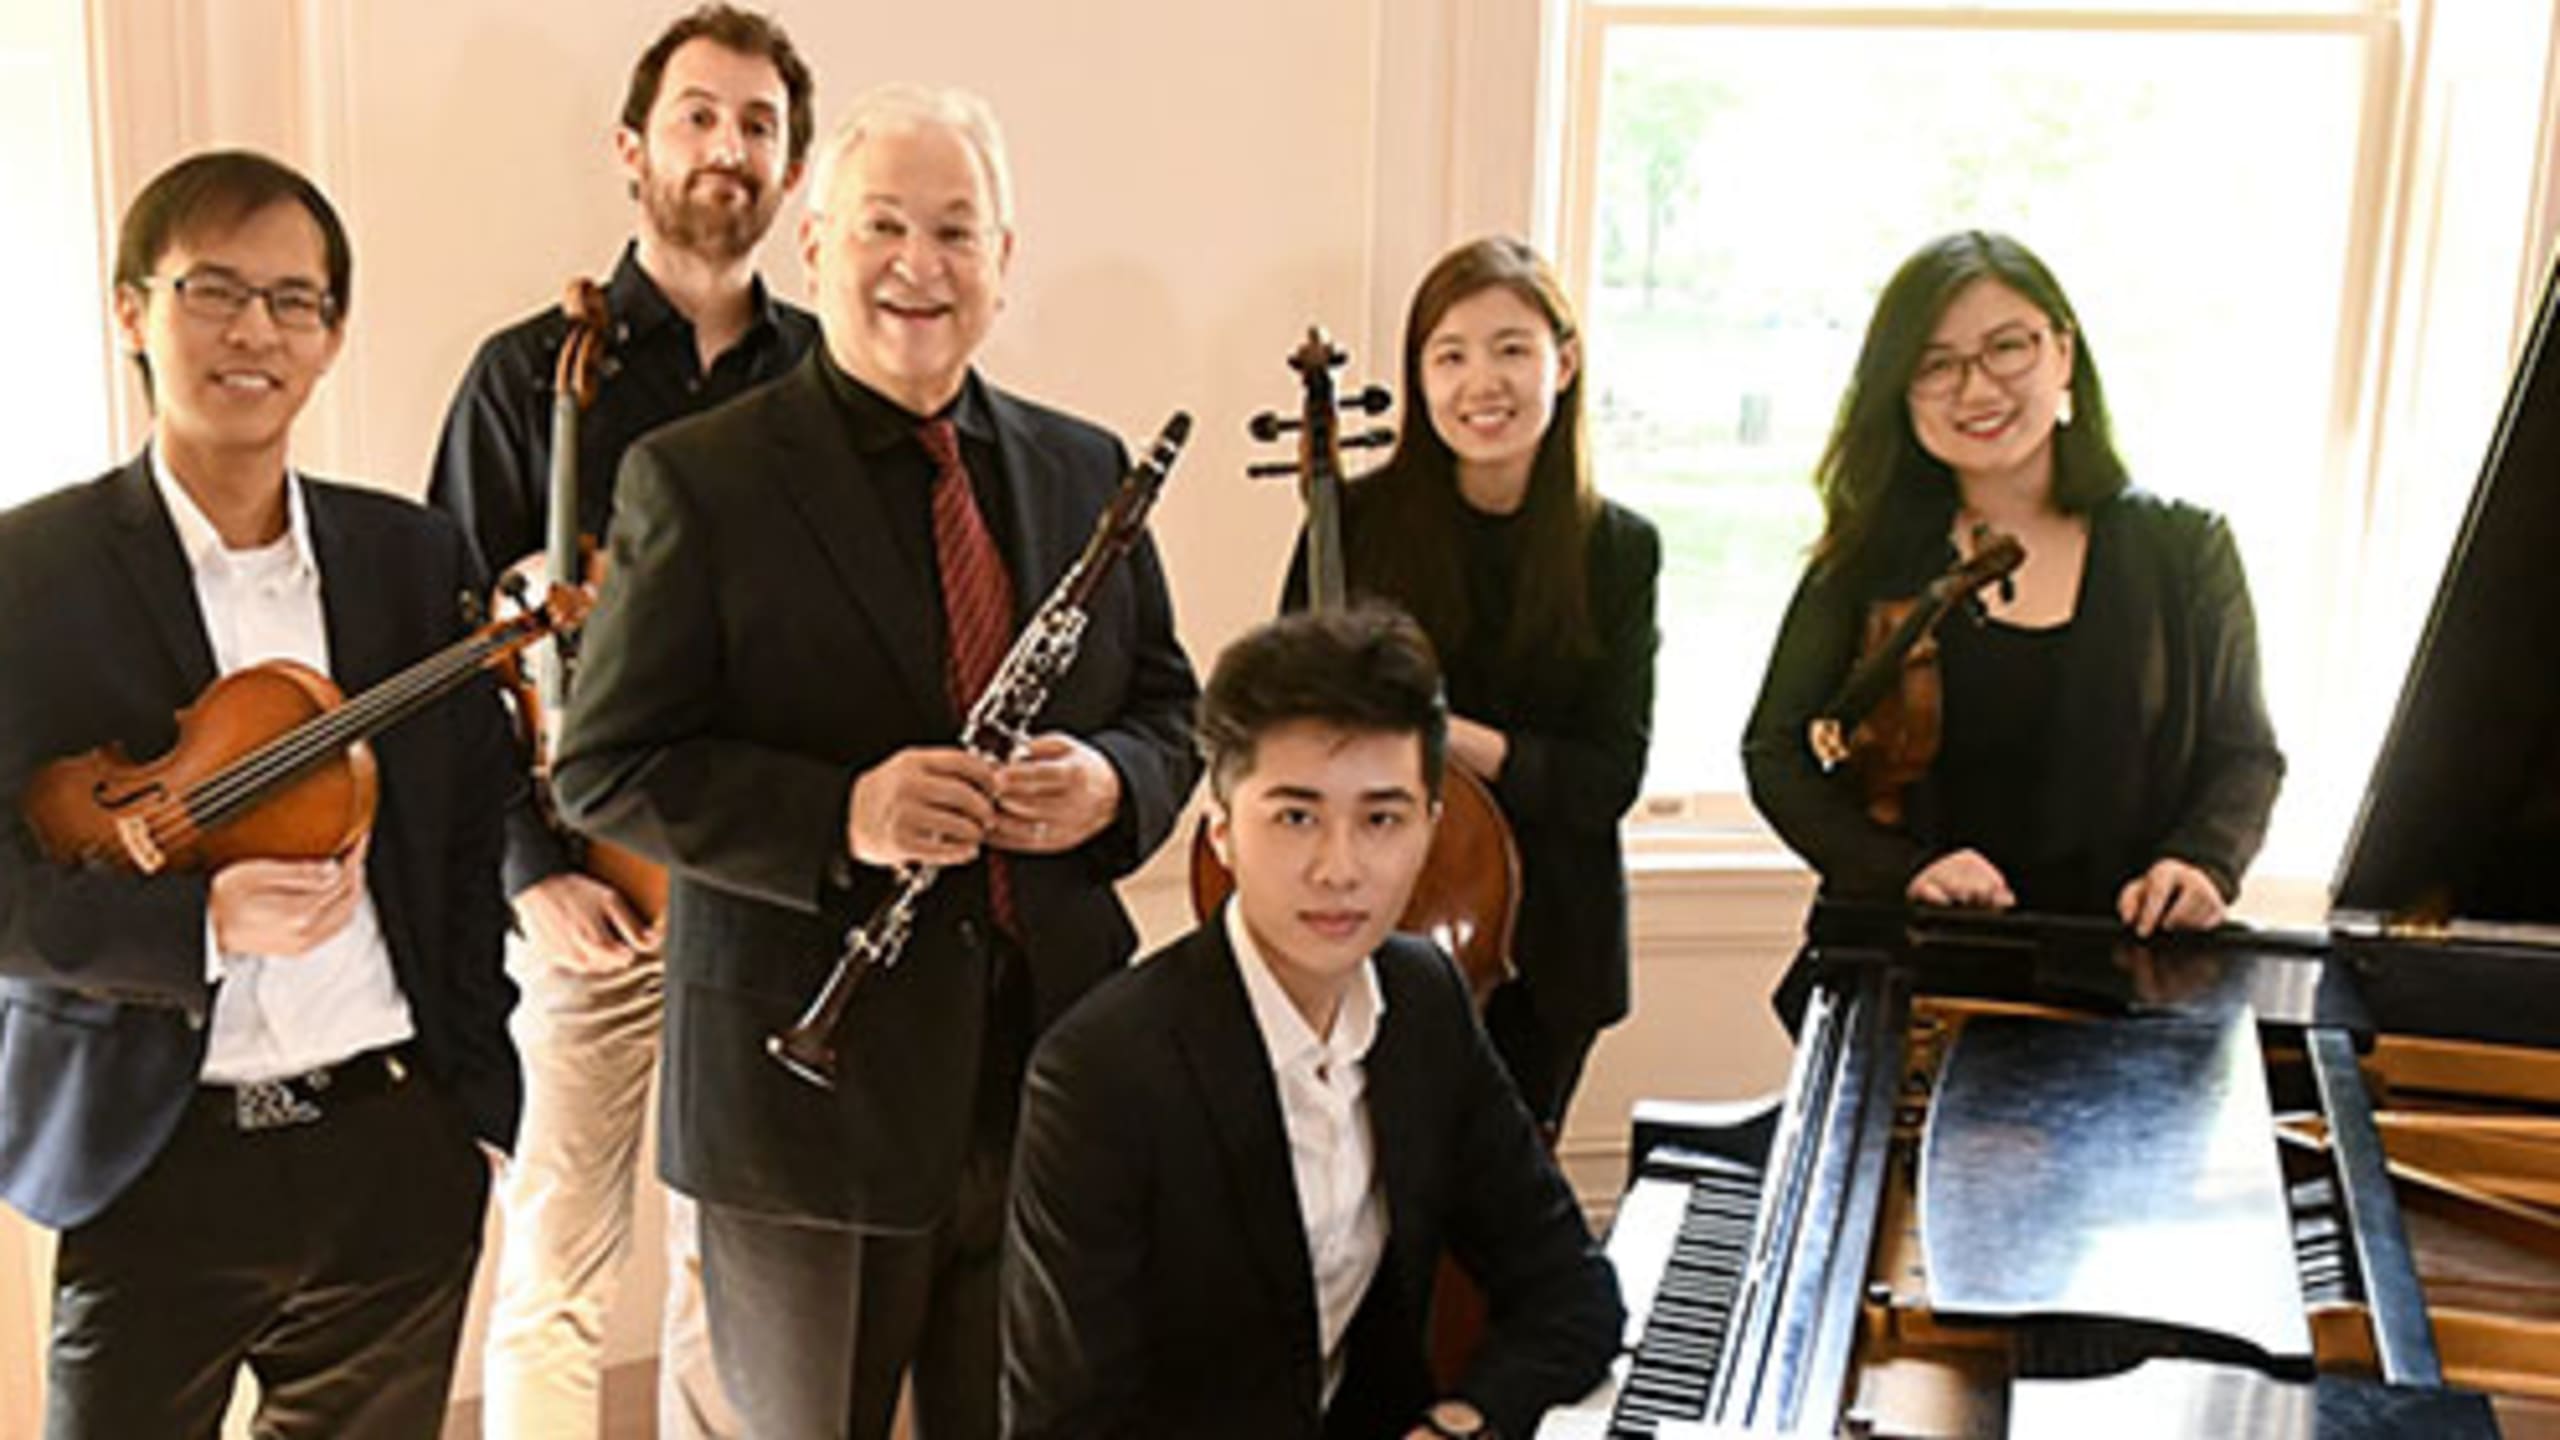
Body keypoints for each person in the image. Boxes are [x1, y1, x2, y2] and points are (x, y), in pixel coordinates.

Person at [550, 82, 1200, 1440]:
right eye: (884, 226)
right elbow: (605, 767)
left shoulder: (1081, 467)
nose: (921, 264)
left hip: (1047, 1073)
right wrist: (842, 812)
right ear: (814, 246)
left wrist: (1108, 783)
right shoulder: (697, 479)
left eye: (957, 232)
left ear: (1003, 261)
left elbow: (1166, 707)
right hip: (807, 1098)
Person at [0, 149, 519, 1437]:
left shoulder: (410, 558)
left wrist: (474, 1111)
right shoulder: (30, 573)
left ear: (332, 336)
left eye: (295, 301)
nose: (255, 331)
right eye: (216, 290)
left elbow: (467, 839)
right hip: (149, 1158)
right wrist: (198, 924)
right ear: (133, 310)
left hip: (387, 1146)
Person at [426, 7, 815, 1434]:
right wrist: (530, 875)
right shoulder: (522, 376)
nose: (728, 147)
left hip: (760, 889)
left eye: (760, 125)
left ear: (792, 171)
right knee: (556, 1265)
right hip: (589, 892)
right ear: (632, 149)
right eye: (699, 115)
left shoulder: (826, 383)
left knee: (733, 1264)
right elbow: (456, 652)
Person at [1005, 607, 1623, 1440]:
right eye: (1296, 817)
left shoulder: (1425, 1000)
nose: (1341, 869)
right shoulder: (1099, 1073)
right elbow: (1068, 1428)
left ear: (1430, 830)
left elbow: (1570, 1292)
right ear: (1222, 832)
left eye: (1382, 819)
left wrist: (1457, 1426)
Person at [1742, 230, 2283, 935]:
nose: (1976, 389)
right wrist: (1902, 869)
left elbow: (2244, 753)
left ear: (2064, 353)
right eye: (1936, 364)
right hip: (1918, 951)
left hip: (2129, 954)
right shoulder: (1868, 557)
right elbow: (1775, 752)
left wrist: (2204, 862)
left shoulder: (2186, 547)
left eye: (2006, 347)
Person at [1296, 236, 1660, 1135]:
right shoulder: (1355, 523)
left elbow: (1606, 779)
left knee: (1512, 1199)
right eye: (1450, 355)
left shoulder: (1618, 550)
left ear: (1562, 363)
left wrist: (1448, 737)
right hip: (1377, 920)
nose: (1480, 383)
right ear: (1419, 377)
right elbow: (1281, 728)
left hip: (1548, 949)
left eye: (1510, 350)